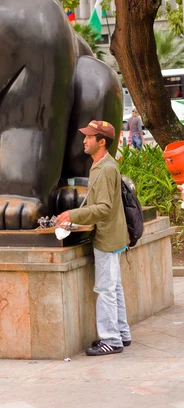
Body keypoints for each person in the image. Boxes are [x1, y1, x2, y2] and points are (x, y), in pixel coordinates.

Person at [55, 120, 131, 356]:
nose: (84, 140)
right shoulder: (101, 165)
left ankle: (111, 339)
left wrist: (72, 213)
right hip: (112, 235)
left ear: (102, 142)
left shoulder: (106, 168)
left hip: (108, 238)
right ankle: (122, 333)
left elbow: (105, 207)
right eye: (85, 136)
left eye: (90, 137)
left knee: (106, 289)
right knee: (114, 287)